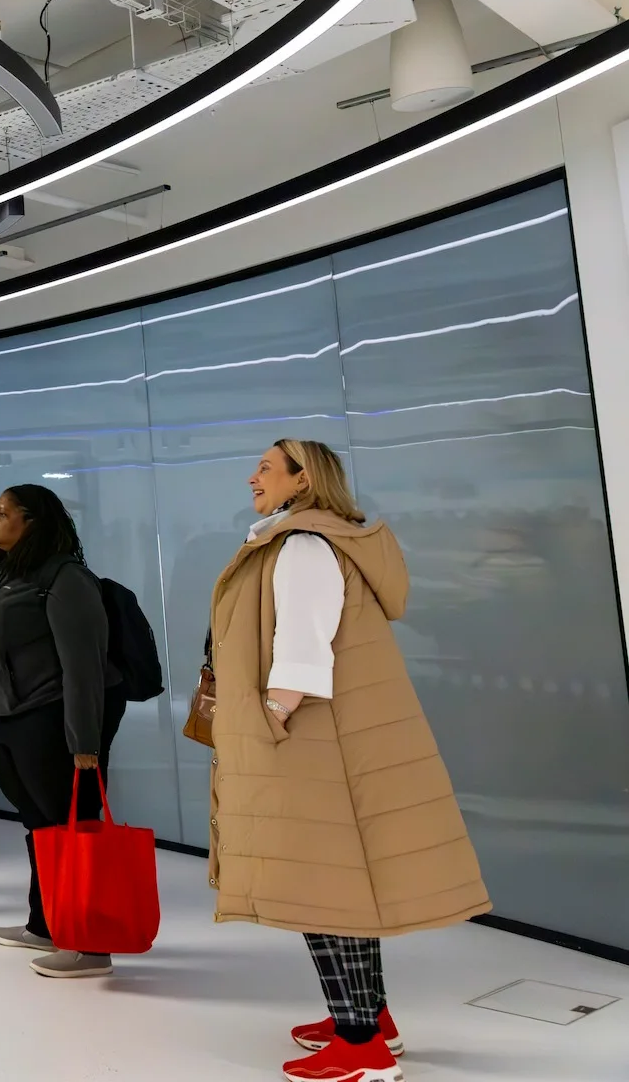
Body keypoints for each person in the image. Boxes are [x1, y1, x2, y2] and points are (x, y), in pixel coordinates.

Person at [214, 441, 488, 1082]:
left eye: (266, 467)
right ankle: (367, 1021)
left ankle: (362, 1046)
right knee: (329, 886)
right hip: (318, 736)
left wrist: (268, 718)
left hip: (310, 738)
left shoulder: (304, 544)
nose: (253, 476)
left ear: (303, 479)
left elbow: (303, 650)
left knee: (324, 889)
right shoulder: (303, 538)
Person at [0, 484, 127, 979]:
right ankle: (46, 923)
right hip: (7, 718)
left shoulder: (66, 578)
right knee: (41, 828)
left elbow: (84, 667)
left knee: (71, 829)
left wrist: (85, 743)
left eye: (3, 513)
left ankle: (90, 945)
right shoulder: (8, 575)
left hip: (49, 720)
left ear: (32, 522)